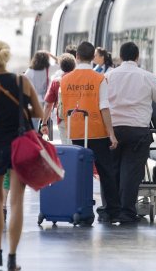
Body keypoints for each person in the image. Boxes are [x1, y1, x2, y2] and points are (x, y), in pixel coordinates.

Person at [0, 39, 45, 270]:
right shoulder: (21, 80)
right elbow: (40, 112)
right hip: (21, 146)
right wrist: (20, 111)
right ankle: (13, 258)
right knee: (16, 202)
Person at [106, 42, 156, 224]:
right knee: (131, 173)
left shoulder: (108, 76)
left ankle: (111, 211)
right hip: (137, 130)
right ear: (137, 56)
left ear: (120, 56)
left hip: (113, 129)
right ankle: (126, 213)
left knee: (112, 171)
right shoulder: (146, 76)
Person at [60, 41, 120, 223]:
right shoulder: (99, 78)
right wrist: (111, 133)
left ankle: (79, 208)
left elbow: (63, 108)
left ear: (76, 57)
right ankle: (112, 211)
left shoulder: (65, 80)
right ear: (93, 56)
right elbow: (104, 107)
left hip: (75, 131)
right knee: (106, 172)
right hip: (97, 131)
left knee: (78, 172)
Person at [41, 53, 76, 144]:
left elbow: (48, 105)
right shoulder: (80, 80)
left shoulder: (56, 82)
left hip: (62, 118)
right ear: (74, 65)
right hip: (80, 117)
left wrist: (44, 123)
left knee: (66, 145)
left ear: (61, 67)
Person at [24, 51, 57, 129]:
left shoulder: (30, 71)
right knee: (44, 119)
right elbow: (60, 63)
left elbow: (24, 83)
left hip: (34, 99)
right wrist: (51, 55)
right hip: (46, 99)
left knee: (34, 121)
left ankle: (35, 136)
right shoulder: (49, 69)